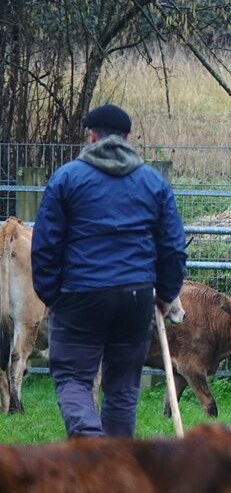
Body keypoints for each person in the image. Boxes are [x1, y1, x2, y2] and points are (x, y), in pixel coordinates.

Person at [31, 104, 186, 437]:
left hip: (79, 294)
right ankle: (114, 469)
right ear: (128, 138)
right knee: (123, 388)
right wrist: (166, 292)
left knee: (73, 378)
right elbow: (172, 246)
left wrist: (52, 294)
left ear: (90, 136)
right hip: (135, 295)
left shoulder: (67, 179)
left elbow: (45, 245)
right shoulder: (153, 183)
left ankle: (90, 444)